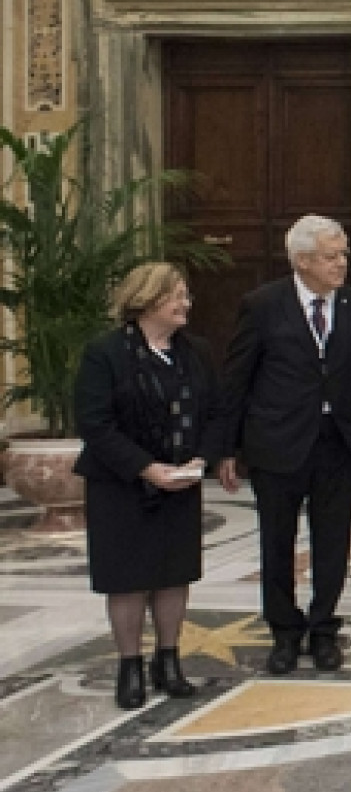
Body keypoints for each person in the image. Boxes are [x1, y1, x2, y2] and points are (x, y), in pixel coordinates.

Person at [210, 214, 351, 676]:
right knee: (277, 543)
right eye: (331, 256)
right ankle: (285, 632)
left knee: (333, 544)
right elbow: (237, 379)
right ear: (302, 260)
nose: (341, 264)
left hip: (337, 445)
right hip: (277, 444)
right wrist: (226, 448)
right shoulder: (263, 305)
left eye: (344, 254)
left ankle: (324, 629)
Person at [73, 263, 221, 709]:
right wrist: (145, 468)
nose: (186, 303)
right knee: (129, 578)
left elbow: (217, 411)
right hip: (121, 484)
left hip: (181, 481)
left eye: (186, 295)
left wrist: (202, 458)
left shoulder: (195, 351)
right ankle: (130, 665)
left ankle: (169, 659)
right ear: (146, 300)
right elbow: (95, 424)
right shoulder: (105, 353)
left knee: (174, 574)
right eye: (176, 295)